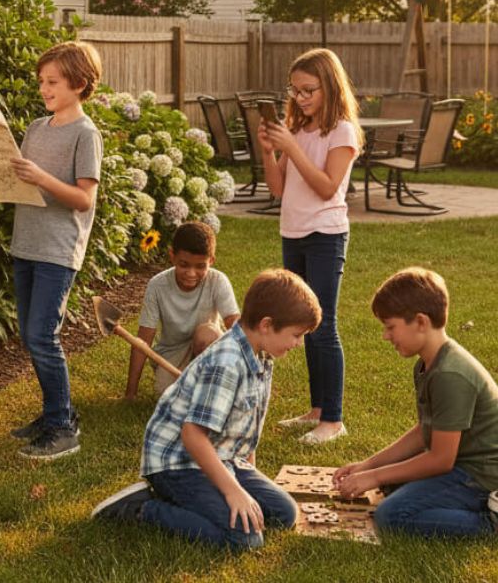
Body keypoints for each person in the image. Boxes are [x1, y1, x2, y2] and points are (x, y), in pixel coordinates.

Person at [92, 269, 321, 549]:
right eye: (297, 335)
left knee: (283, 513)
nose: (299, 343)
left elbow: (247, 425)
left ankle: (199, 499)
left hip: (222, 458)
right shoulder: (226, 363)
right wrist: (234, 492)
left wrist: (247, 482)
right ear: (266, 324)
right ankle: (143, 507)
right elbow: (192, 436)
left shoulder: (262, 356)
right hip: (177, 464)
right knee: (245, 539)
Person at [0, 41, 103, 460]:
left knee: (43, 335)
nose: (44, 89)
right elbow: (16, 180)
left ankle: (63, 427)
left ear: (79, 84)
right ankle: (52, 413)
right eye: (41, 81)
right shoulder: (37, 129)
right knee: (31, 334)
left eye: (53, 82)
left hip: (59, 249)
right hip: (27, 242)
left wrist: (40, 177)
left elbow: (83, 199)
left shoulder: (86, 134)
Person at [333, 268, 498, 539]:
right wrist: (368, 466)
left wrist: (374, 477)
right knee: (392, 483)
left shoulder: (450, 374)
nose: (386, 336)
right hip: (459, 463)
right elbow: (425, 430)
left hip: (479, 477)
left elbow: (441, 460)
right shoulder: (427, 363)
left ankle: (489, 523)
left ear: (420, 322)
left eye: (390, 327)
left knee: (392, 515)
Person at [256, 47, 362, 445]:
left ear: (329, 88)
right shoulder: (298, 128)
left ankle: (333, 419)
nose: (300, 98)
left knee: (324, 326)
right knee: (304, 323)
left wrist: (293, 148)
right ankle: (316, 410)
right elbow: (279, 188)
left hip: (325, 234)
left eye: (308, 91)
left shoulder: (342, 132)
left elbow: (326, 187)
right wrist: (270, 152)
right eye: (295, 90)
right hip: (293, 232)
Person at [124, 220, 239, 400]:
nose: (191, 273)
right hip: (172, 352)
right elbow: (143, 340)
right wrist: (130, 393)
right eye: (184, 264)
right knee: (167, 395)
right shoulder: (157, 285)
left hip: (209, 346)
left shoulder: (218, 281)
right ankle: (197, 386)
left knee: (207, 333)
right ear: (172, 256)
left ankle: (210, 386)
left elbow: (235, 325)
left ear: (211, 261)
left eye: (200, 266)